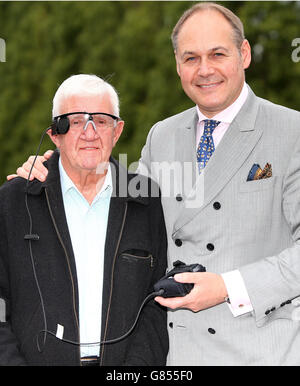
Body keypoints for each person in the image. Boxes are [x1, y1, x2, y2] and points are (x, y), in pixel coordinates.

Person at [9, 2, 300, 366]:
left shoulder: (292, 132)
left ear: (243, 54)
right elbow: (120, 194)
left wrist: (229, 287)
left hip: (261, 350)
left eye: (218, 54)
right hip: (175, 355)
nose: (204, 69)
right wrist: (53, 166)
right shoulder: (163, 135)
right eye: (191, 58)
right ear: (177, 65)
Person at [0, 74, 168, 366]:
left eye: (102, 121)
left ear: (117, 131)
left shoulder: (146, 199)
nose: (90, 132)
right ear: (56, 133)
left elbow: (157, 304)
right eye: (76, 121)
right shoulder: (13, 202)